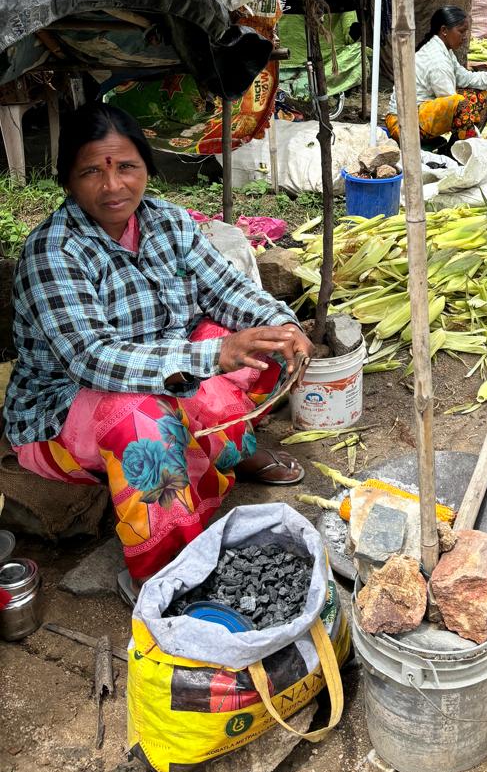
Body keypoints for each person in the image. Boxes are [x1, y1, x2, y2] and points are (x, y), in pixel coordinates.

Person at [3, 104, 312, 598]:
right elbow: (92, 357)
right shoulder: (52, 251)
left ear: (145, 167)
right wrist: (208, 359)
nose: (113, 186)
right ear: (66, 180)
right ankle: (163, 569)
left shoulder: (168, 222)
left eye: (126, 167)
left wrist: (281, 323)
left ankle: (233, 453)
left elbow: (227, 291)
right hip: (67, 407)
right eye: (91, 171)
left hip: (168, 371)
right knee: (141, 416)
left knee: (263, 344)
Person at [384, 6, 487, 150]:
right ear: (444, 31)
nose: (464, 36)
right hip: (403, 124)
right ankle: (461, 150)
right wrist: (479, 139)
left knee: (479, 95)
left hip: (419, 112)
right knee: (460, 104)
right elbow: (452, 104)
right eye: (461, 31)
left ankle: (455, 146)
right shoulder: (437, 61)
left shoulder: (444, 50)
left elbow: (466, 78)